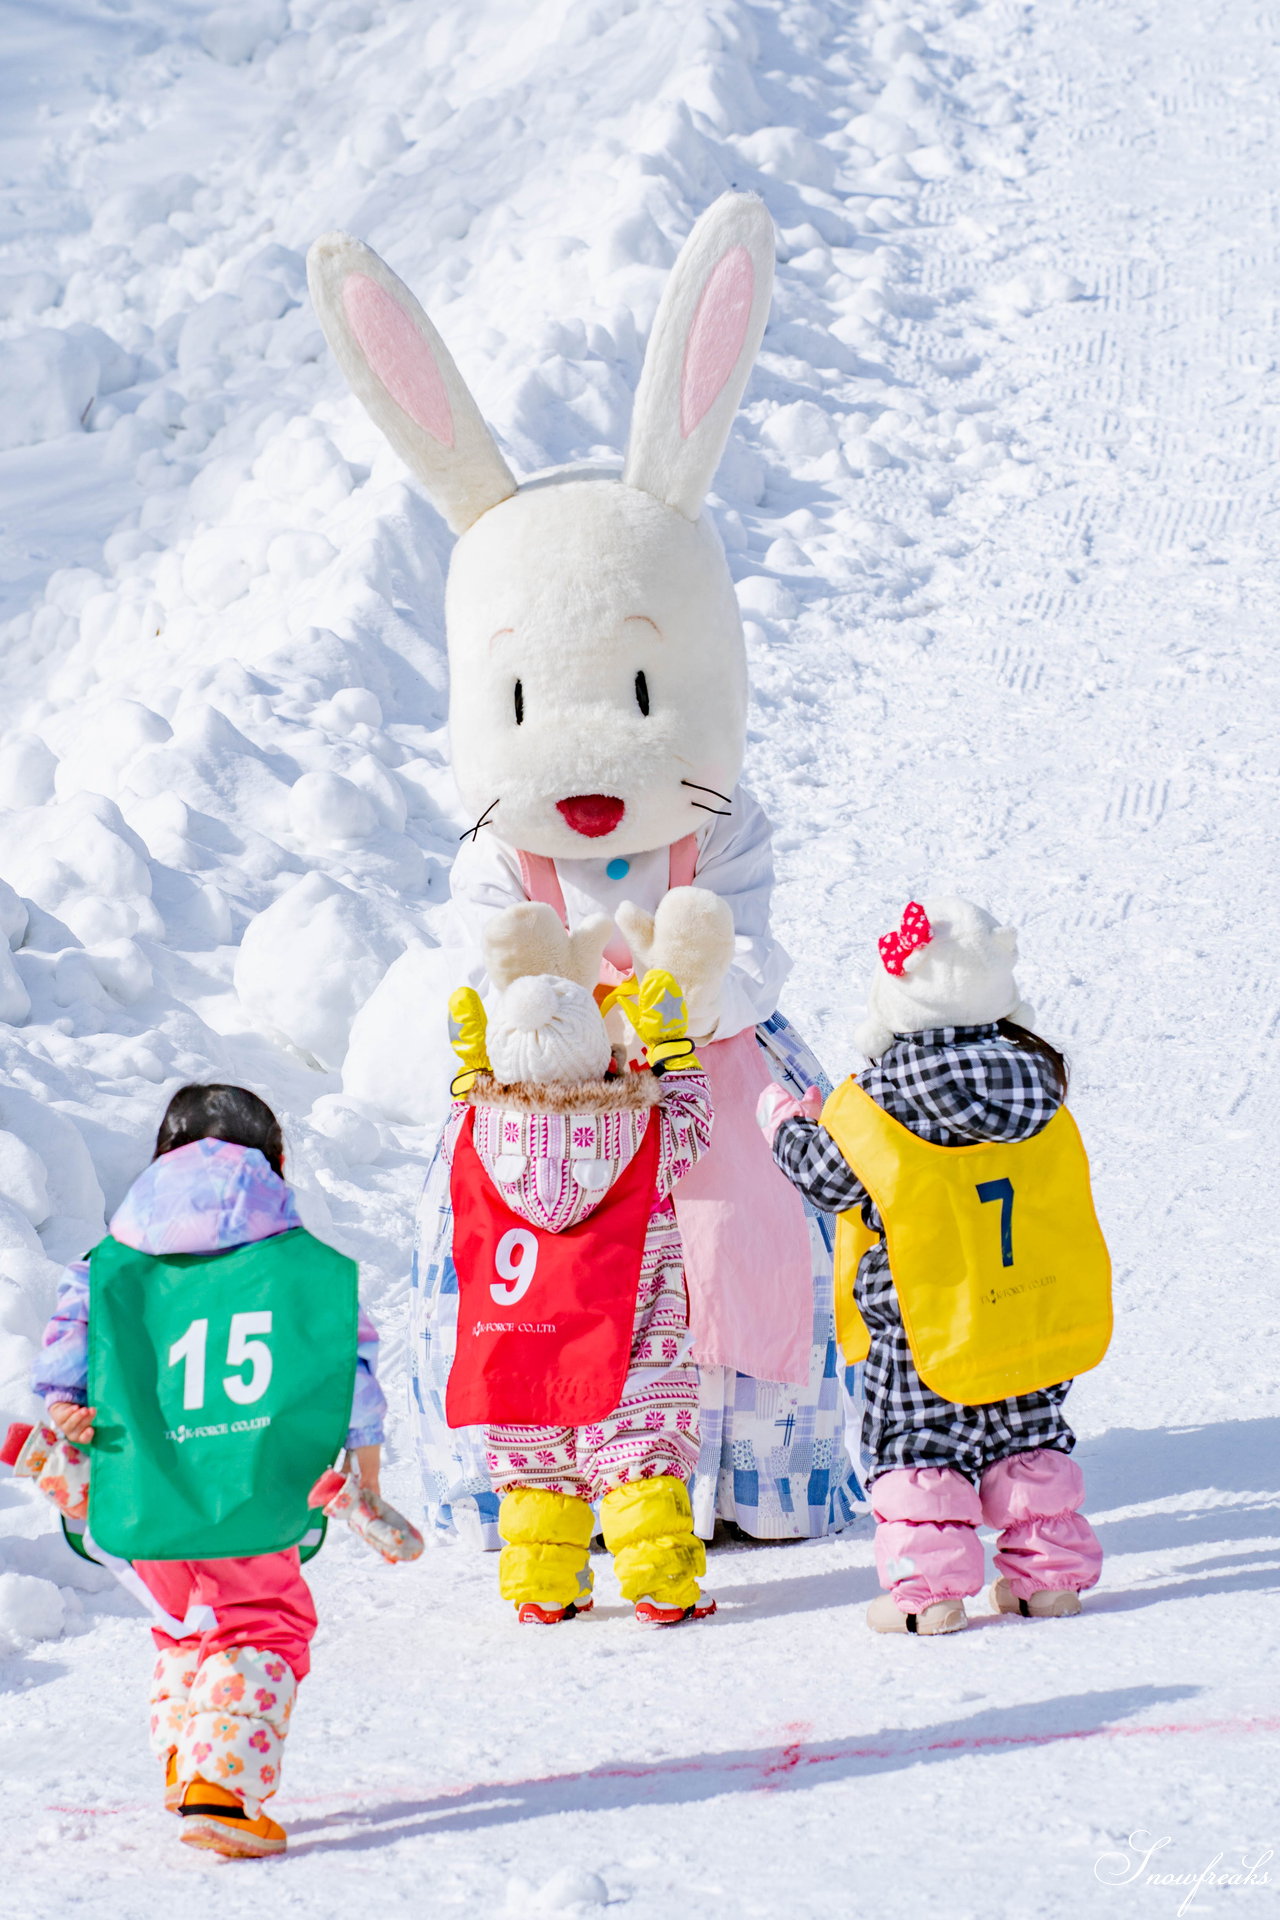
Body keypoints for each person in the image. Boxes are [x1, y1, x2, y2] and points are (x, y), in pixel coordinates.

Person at [34, 1083, 389, 1857]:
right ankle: (222, 1790)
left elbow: (61, 1370)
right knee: (262, 1622)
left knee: (181, 1624)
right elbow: (349, 1378)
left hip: (141, 1490)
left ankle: (185, 1755)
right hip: (252, 1486)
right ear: (278, 1163)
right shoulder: (308, 1269)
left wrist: (65, 1416)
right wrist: (367, 1479)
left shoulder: (103, 1265)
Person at [759, 899, 1110, 1636]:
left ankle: (931, 1594)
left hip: (921, 1324)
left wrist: (789, 1127)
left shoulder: (877, 1098)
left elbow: (831, 1180)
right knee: (1029, 1441)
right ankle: (1047, 1582)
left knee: (920, 1453)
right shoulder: (1040, 1084)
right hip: (1023, 1308)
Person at [443, 965, 716, 1626]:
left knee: (537, 1467)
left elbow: (456, 1115)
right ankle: (660, 1585)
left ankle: (542, 1586)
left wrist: (472, 1068)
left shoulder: (479, 1134)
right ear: (601, 1056)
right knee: (638, 1459)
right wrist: (674, 1049)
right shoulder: (643, 1133)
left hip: (518, 1344)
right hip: (628, 1344)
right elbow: (695, 1120)